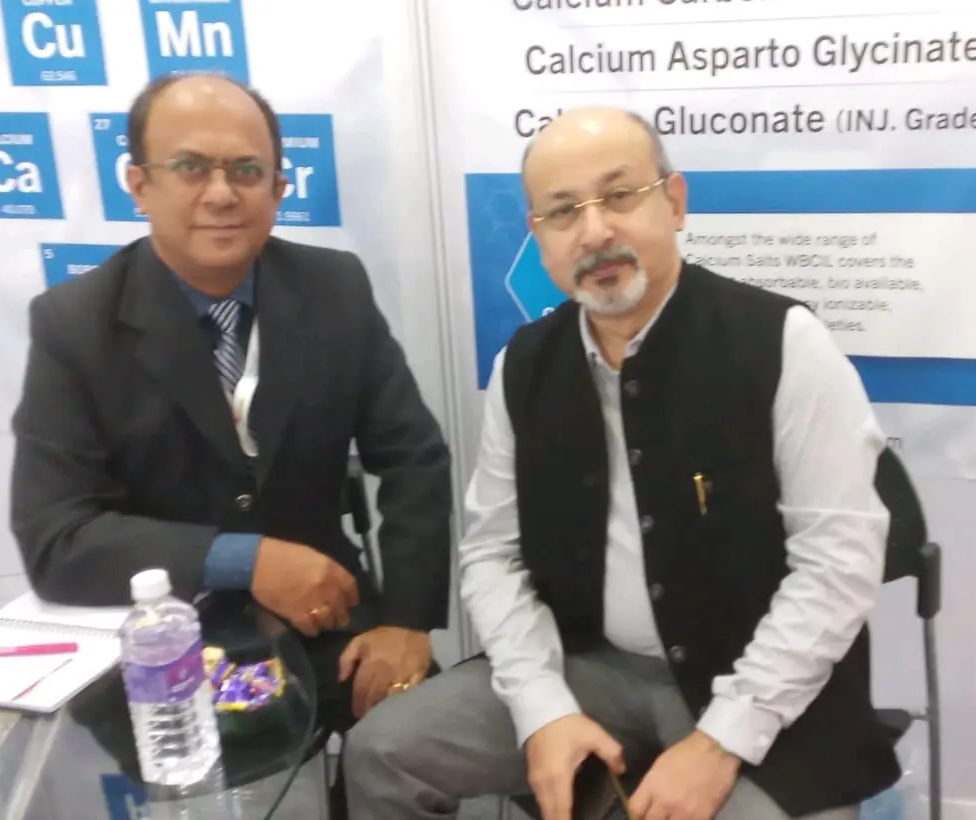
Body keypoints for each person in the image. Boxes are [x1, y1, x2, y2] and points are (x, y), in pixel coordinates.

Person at [343, 106, 901, 820]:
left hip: (758, 681)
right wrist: (542, 710)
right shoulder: (524, 366)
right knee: (383, 752)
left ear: (675, 202)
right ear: (539, 237)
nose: (595, 231)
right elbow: (492, 553)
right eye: (563, 212)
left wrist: (720, 742)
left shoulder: (782, 343)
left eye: (619, 195)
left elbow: (837, 565)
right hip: (589, 668)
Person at [9, 73, 452, 812]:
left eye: (246, 170)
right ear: (139, 184)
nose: (221, 193)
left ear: (278, 189)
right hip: (164, 650)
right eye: (190, 167)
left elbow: (415, 458)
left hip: (330, 621)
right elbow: (57, 538)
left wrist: (408, 619)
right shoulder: (75, 325)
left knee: (419, 752)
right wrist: (247, 559)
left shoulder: (334, 288)